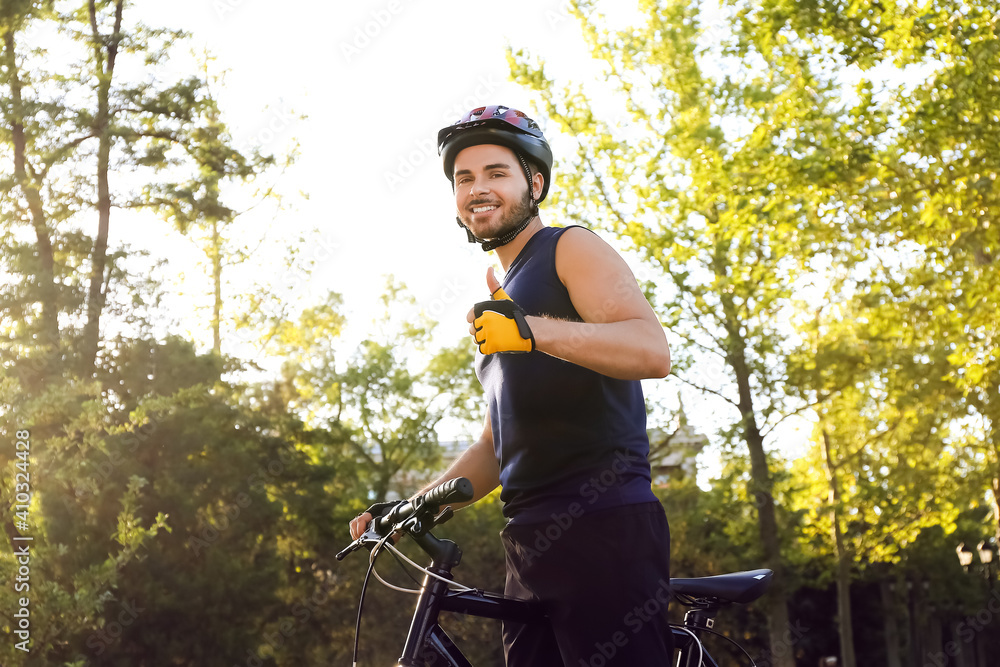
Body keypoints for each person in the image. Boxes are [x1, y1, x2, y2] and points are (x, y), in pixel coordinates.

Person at [350, 105, 673, 666]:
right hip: (529, 541)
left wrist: (531, 330)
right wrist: (412, 507)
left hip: (604, 526)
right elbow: (496, 448)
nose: (478, 188)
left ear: (535, 182)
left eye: (496, 173)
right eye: (464, 178)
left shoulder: (568, 248)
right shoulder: (501, 302)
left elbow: (652, 350)